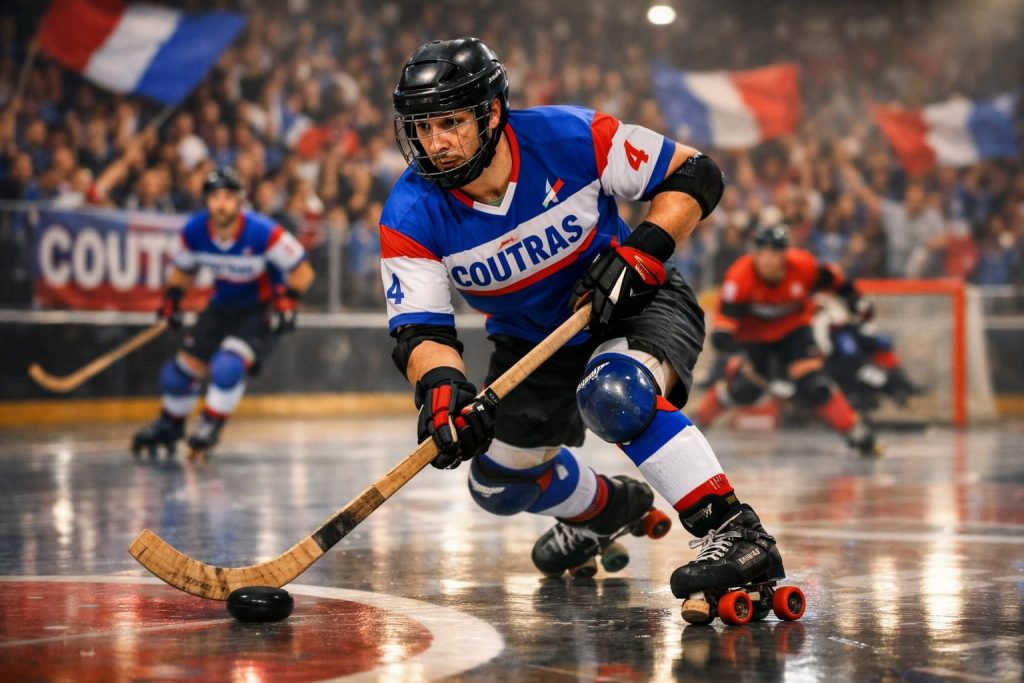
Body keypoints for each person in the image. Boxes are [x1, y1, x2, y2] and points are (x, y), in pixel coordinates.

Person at [380, 37, 790, 620]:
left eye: (449, 122)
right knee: (495, 485)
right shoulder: (409, 211)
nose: (434, 143)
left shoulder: (571, 137)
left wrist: (643, 251)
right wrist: (443, 393)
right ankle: (605, 511)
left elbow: (696, 174)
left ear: (491, 113)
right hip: (530, 341)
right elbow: (420, 332)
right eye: (421, 127)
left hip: (632, 304)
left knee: (614, 393)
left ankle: (737, 533)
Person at [132, 167, 315, 458]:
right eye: (215, 196)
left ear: (239, 201)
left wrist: (288, 301)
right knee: (177, 376)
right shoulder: (195, 231)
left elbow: (303, 272)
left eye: (228, 197)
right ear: (206, 201)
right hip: (221, 306)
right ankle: (171, 424)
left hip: (258, 309)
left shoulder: (262, 231)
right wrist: (173, 299)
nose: (221, 203)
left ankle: (210, 424)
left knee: (227, 366)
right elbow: (183, 270)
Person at [694, 223, 881, 455]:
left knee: (815, 386)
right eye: (762, 253)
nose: (768, 260)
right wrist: (736, 356)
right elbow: (722, 332)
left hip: (794, 330)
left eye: (775, 253)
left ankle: (854, 431)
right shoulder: (739, 277)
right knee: (745, 389)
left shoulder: (802, 265)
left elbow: (837, 281)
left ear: (785, 254)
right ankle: (697, 425)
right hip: (753, 336)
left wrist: (855, 301)